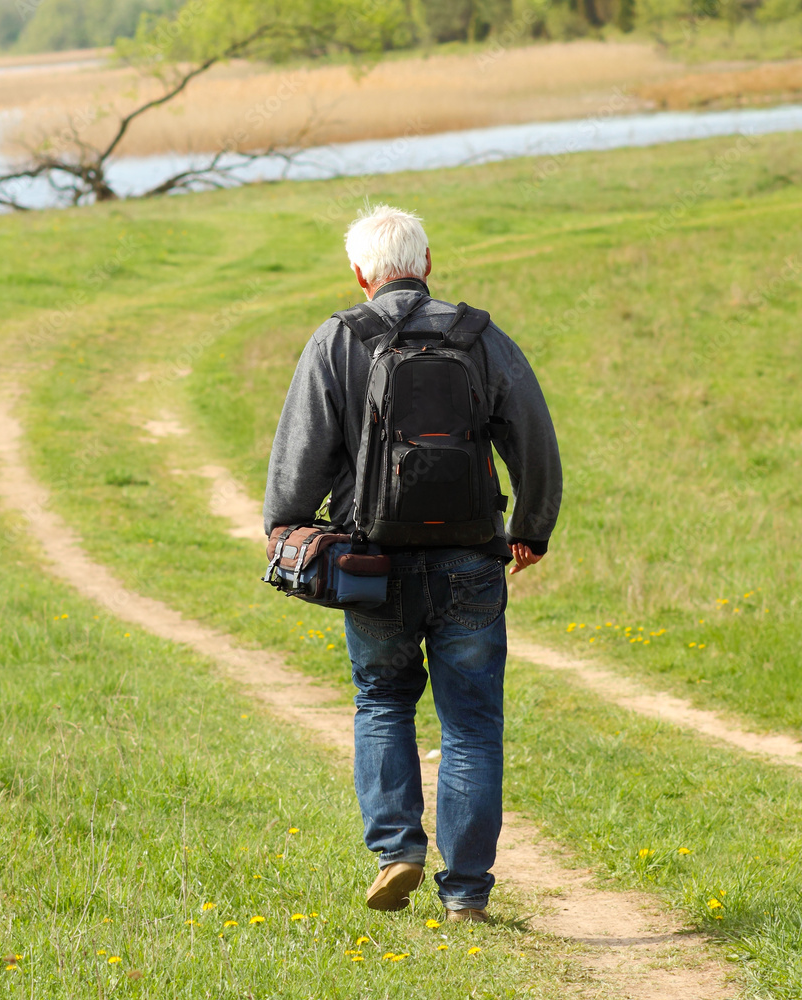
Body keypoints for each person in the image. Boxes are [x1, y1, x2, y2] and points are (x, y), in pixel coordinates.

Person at [262, 205, 561, 921]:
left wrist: (284, 526)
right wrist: (531, 527)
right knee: (471, 725)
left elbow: (301, 450)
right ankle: (466, 896)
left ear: (361, 273)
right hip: (472, 562)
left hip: (372, 565)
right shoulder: (480, 337)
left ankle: (398, 850)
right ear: (426, 264)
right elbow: (534, 435)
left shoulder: (337, 338)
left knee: (383, 701)